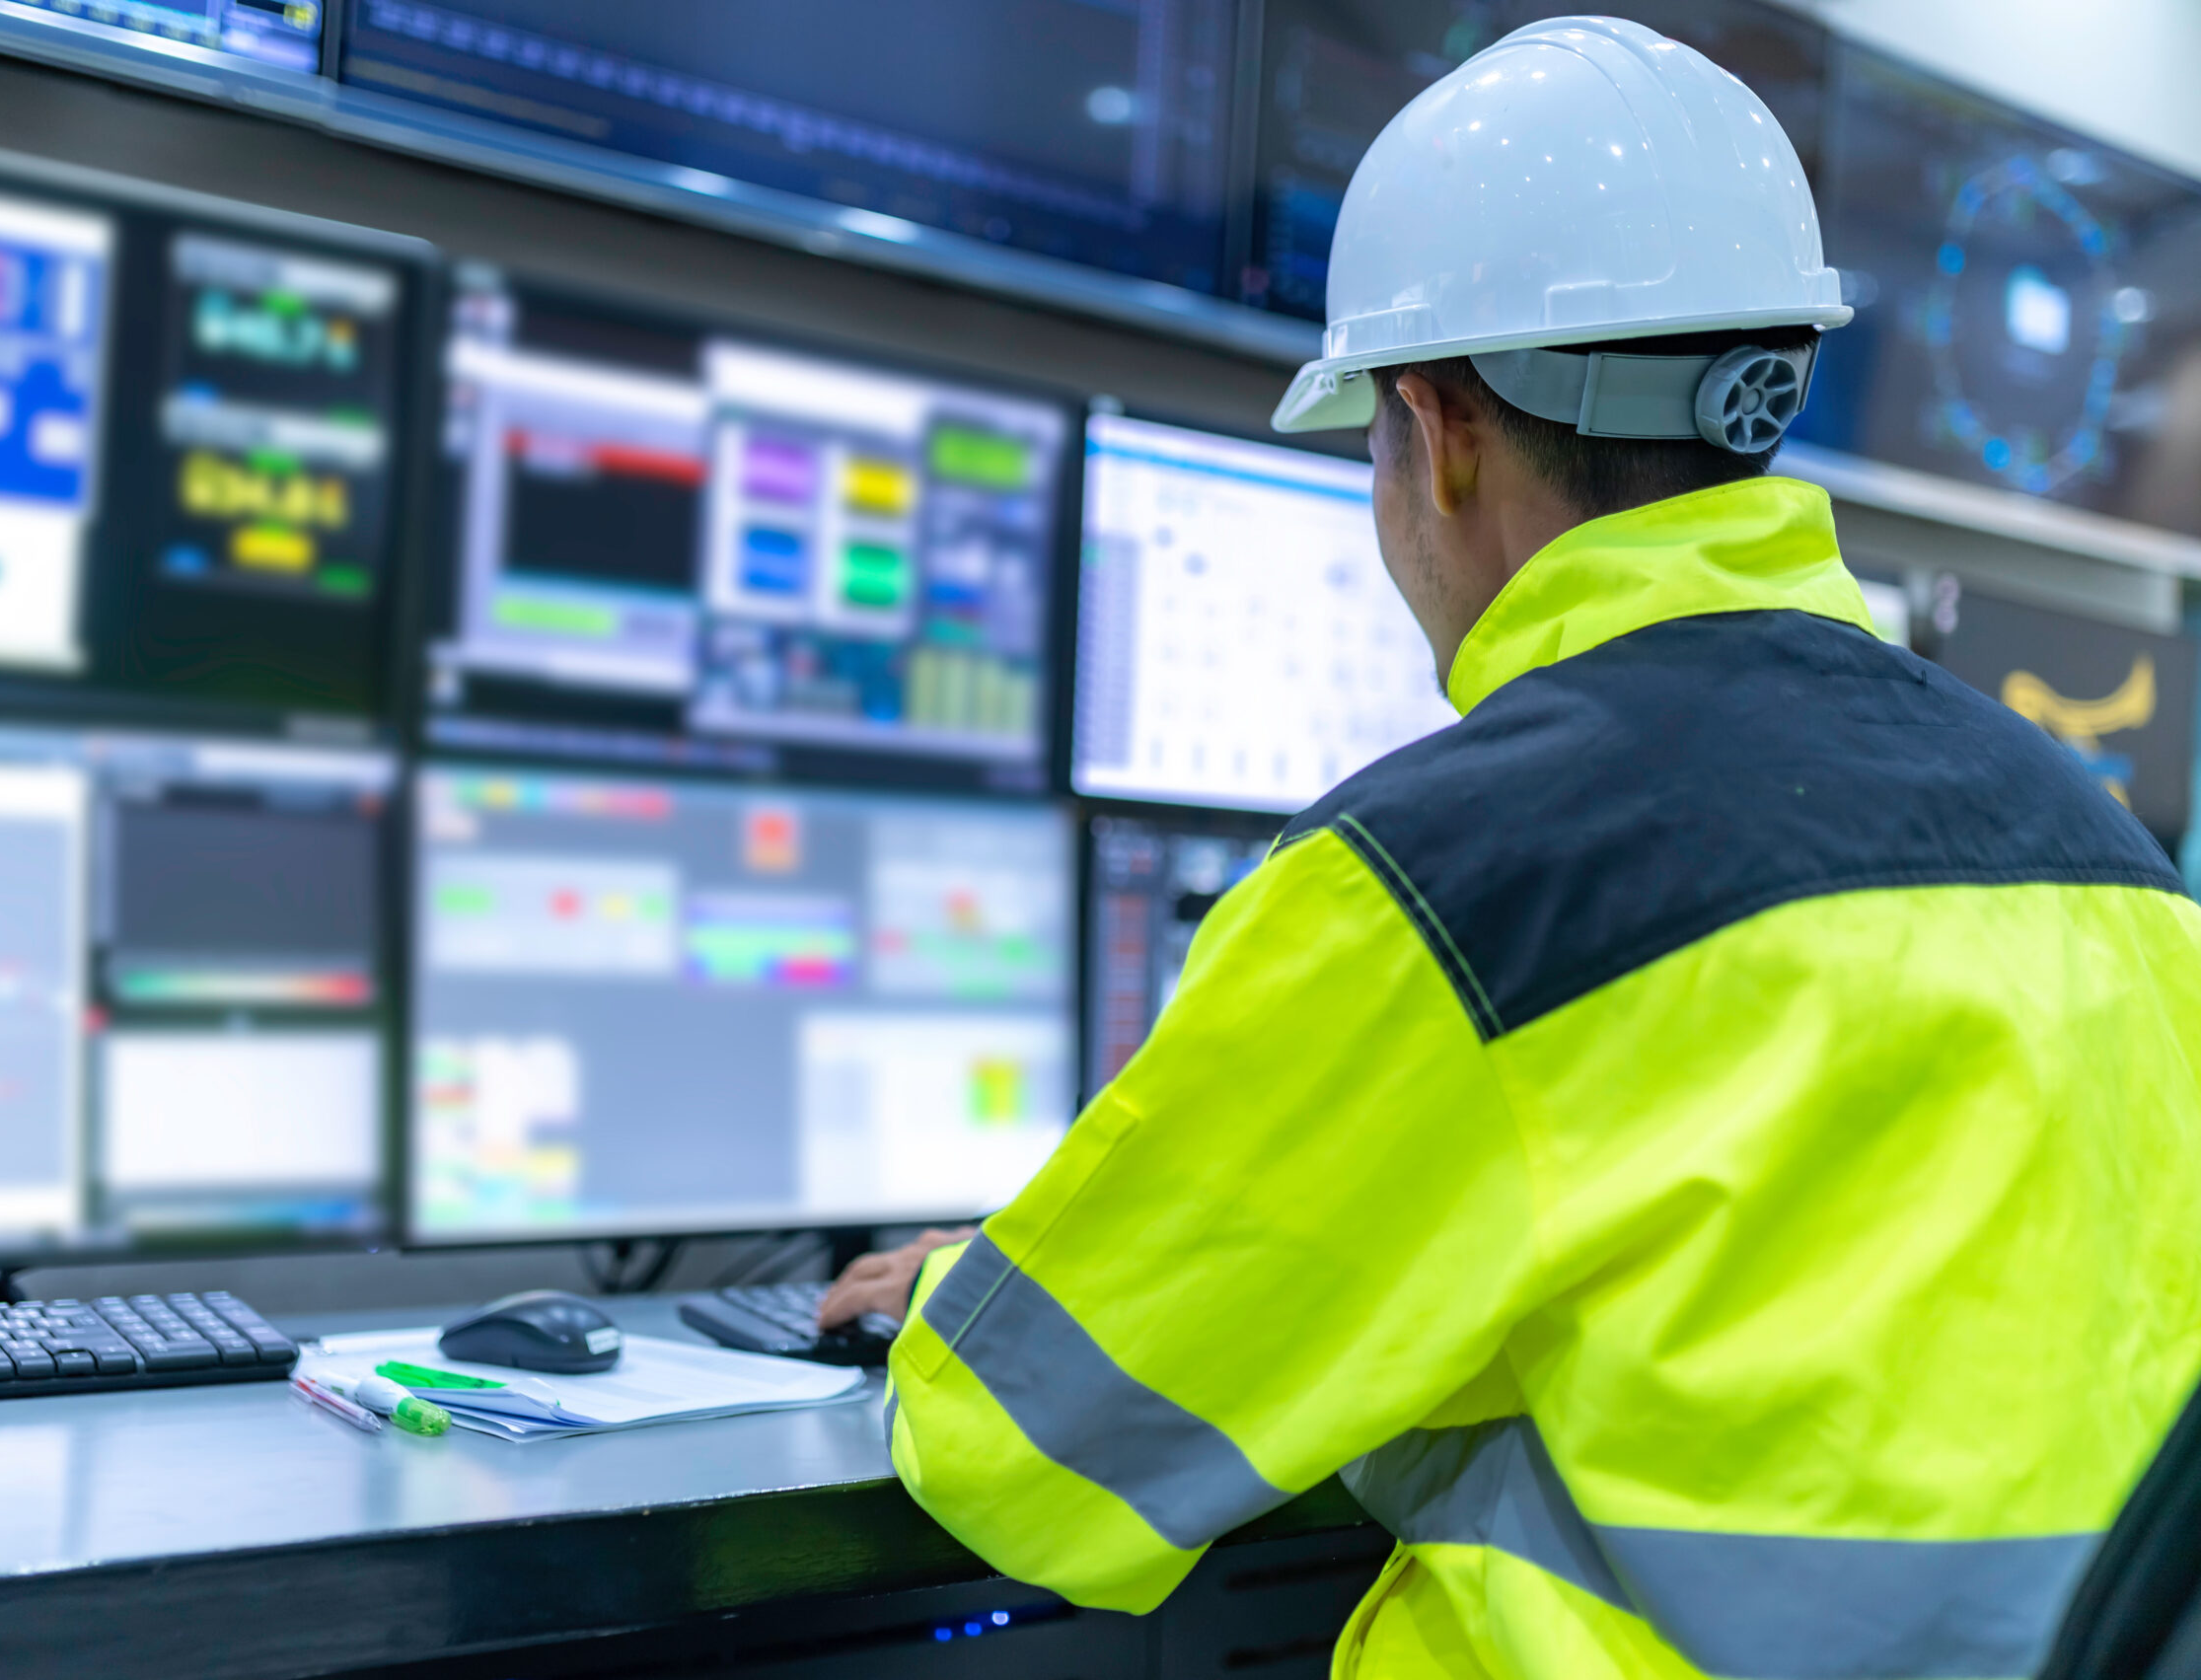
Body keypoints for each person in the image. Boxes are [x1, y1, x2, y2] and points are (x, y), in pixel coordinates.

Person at [816, 18, 2201, 1680]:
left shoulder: (1449, 881)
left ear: (1438, 426)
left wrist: (968, 1295)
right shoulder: (2112, 861)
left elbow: (1027, 1452)